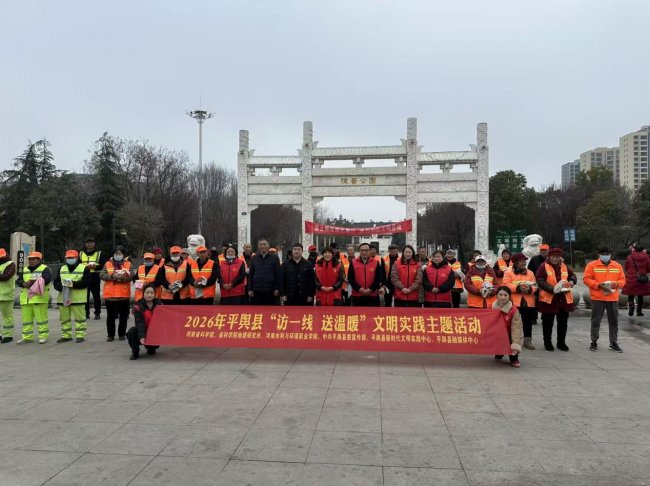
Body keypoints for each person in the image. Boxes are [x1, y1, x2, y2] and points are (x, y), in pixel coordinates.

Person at [584, 247, 626, 352]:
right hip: (597, 297)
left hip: (612, 298)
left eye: (607, 254)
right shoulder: (592, 265)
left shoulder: (617, 265)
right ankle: (594, 341)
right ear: (599, 255)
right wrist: (598, 285)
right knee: (595, 321)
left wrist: (615, 284)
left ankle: (613, 342)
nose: (605, 255)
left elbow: (622, 280)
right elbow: (586, 279)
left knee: (614, 321)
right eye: (603, 254)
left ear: (611, 254)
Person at [536, 248, 576, 351]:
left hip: (563, 298)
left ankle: (561, 342)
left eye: (557, 257)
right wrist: (552, 289)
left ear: (560, 258)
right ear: (549, 257)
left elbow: (572, 276)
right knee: (547, 322)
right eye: (553, 257)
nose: (555, 259)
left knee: (563, 322)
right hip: (549, 298)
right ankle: (547, 342)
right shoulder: (543, 266)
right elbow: (540, 280)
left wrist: (572, 281)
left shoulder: (564, 266)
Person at [53, 250, 90, 343]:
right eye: (68, 258)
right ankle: (66, 336)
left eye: (71, 258)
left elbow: (86, 283)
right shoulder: (62, 268)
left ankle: (80, 335)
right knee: (64, 319)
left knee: (80, 319)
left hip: (78, 299)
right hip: (63, 298)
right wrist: (62, 287)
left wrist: (72, 284)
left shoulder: (84, 268)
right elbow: (56, 282)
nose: (70, 259)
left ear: (77, 258)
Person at [503, 252, 537, 350]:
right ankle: (511, 340)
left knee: (527, 322)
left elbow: (535, 285)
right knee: (513, 322)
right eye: (521, 261)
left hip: (527, 301)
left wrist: (530, 289)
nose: (523, 263)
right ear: (516, 263)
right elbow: (505, 284)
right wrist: (518, 288)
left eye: (524, 261)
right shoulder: (509, 272)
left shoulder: (530, 273)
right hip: (514, 301)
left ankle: (527, 340)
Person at [16, 251, 52, 344]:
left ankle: (43, 336)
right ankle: (27, 337)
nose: (31, 261)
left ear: (39, 260)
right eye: (29, 259)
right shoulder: (25, 269)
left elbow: (46, 280)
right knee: (26, 320)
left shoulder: (45, 268)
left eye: (33, 259)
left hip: (39, 298)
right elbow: (18, 280)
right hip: (26, 299)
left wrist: (31, 282)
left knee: (41, 319)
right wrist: (23, 283)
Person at [100, 246, 133, 342]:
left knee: (123, 316)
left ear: (123, 255)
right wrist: (112, 276)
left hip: (123, 295)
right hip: (110, 295)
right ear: (113, 254)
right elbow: (102, 275)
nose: (118, 255)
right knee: (110, 317)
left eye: (120, 253)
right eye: (116, 253)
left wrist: (123, 278)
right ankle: (110, 335)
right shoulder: (107, 263)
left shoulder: (128, 264)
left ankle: (122, 334)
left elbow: (132, 275)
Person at [126, 284, 161, 360]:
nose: (149, 295)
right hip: (142, 330)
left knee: (151, 351)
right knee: (132, 332)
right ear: (143, 293)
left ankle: (151, 348)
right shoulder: (138, 306)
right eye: (147, 293)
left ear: (155, 294)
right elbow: (139, 323)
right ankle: (135, 352)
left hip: (154, 331)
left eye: (151, 293)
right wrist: (142, 336)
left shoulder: (159, 305)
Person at [493, 286, 522, 368]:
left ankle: (514, 358)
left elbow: (516, 328)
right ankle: (499, 352)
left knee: (512, 341)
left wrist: (515, 343)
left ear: (509, 297)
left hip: (509, 332)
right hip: (496, 332)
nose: (503, 297)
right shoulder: (491, 308)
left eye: (505, 295)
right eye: (500, 295)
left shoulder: (514, 310)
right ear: (496, 296)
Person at [347, 242, 383, 307]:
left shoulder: (376, 262)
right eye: (362, 250)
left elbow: (378, 278)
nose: (364, 252)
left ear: (369, 251)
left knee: (373, 313)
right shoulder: (353, 262)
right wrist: (359, 289)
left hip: (372, 295)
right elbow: (350, 278)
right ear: (359, 251)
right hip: (357, 295)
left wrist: (371, 289)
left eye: (366, 250)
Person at [248, 239, 282, 305]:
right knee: (257, 310)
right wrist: (250, 289)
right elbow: (250, 275)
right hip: (256, 290)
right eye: (260, 245)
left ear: (268, 246)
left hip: (271, 291)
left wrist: (277, 288)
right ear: (258, 246)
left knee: (271, 310)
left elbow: (277, 274)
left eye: (264, 244)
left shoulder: (275, 258)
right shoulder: (254, 258)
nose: (262, 246)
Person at [79, 237, 105, 321]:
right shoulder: (81, 253)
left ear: (94, 243)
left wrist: (95, 267)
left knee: (96, 296)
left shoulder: (99, 253)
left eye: (91, 242)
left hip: (95, 276)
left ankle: (97, 313)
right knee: (84, 296)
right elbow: (78, 264)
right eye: (88, 242)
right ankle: (86, 313)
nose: (89, 244)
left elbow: (103, 264)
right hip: (84, 276)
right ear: (85, 244)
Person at [622, 245, 650, 316]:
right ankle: (639, 311)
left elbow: (626, 267)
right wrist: (643, 272)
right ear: (643, 250)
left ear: (634, 250)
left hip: (631, 278)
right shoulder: (646, 257)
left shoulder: (629, 257)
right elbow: (649, 268)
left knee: (631, 294)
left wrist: (630, 272)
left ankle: (631, 306)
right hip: (642, 278)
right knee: (640, 295)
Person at [0, 248, 17, 343]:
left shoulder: (11, 264)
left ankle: (8, 335)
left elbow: (6, 276)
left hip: (6, 295)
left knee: (7, 317)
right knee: (7, 317)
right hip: (3, 295)